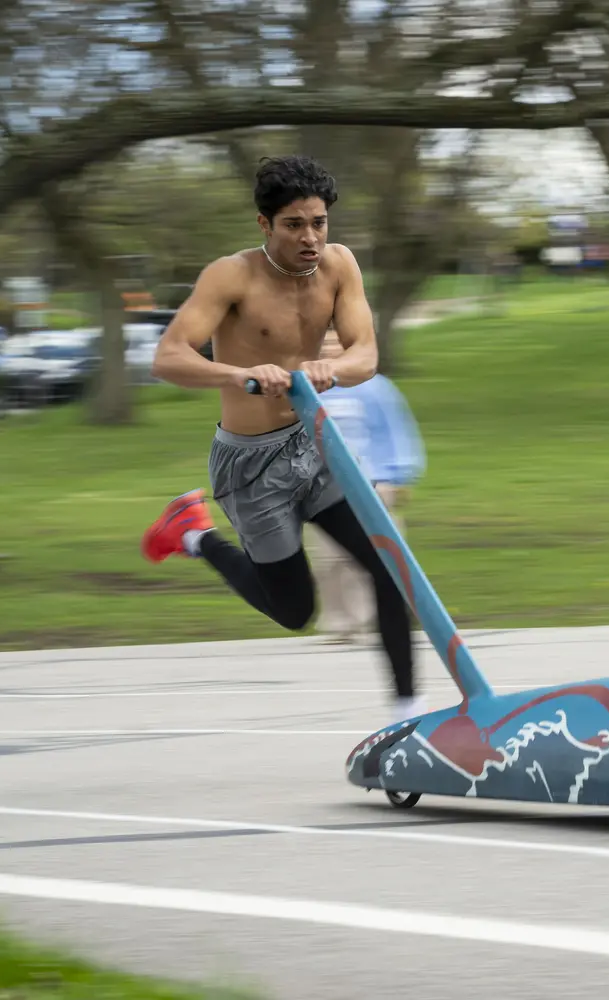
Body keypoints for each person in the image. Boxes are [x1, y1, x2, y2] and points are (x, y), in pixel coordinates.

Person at [140, 154, 423, 719]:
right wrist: (242, 376)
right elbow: (167, 359)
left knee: (393, 569)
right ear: (264, 224)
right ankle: (194, 533)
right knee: (294, 611)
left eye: (319, 222)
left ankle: (406, 717)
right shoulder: (231, 276)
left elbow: (365, 354)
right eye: (294, 224)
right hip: (250, 466)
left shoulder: (340, 265)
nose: (311, 237)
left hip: (313, 447)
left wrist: (331, 371)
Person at [305, 328, 425, 644]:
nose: (328, 349)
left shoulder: (374, 388)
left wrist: (397, 476)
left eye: (334, 343)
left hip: (373, 484)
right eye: (322, 343)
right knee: (328, 560)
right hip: (324, 489)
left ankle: (374, 619)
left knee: (377, 556)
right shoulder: (306, 391)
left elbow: (396, 432)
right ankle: (339, 622)